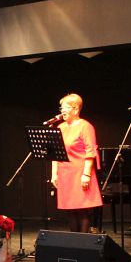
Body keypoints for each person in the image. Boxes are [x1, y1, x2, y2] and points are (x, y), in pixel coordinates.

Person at [51, 93, 102, 233]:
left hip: (80, 172)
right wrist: (54, 174)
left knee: (81, 209)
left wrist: (86, 174)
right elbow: (55, 152)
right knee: (70, 209)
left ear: (76, 109)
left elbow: (90, 151)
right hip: (65, 173)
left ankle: (82, 241)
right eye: (61, 108)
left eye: (65, 108)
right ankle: (74, 240)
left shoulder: (85, 126)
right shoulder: (60, 127)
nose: (62, 111)